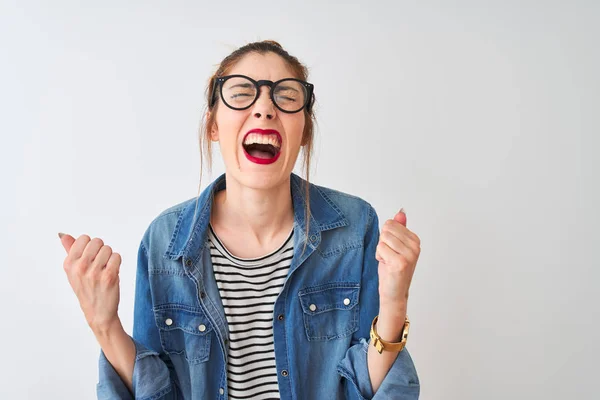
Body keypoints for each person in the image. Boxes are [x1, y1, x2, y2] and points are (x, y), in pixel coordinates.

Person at [59, 40, 421, 399]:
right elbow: (156, 393)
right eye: (241, 93)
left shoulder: (355, 228)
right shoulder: (165, 241)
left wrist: (394, 305)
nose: (264, 108)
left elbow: (371, 391)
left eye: (287, 96)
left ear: (305, 131)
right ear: (213, 125)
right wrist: (104, 324)